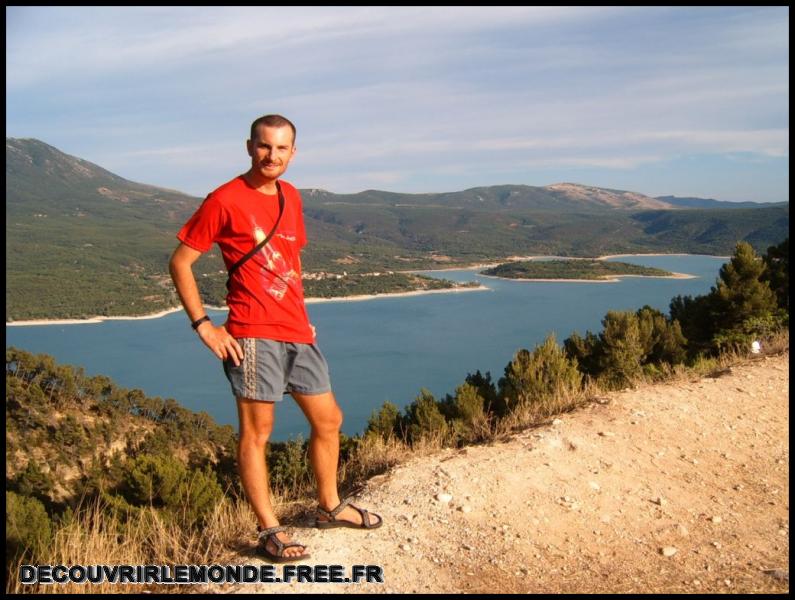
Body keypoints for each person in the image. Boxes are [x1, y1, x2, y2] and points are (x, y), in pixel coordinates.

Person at [169, 114, 382, 563]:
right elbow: (181, 262)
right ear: (250, 147)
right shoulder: (224, 199)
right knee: (257, 433)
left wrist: (301, 318)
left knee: (329, 420)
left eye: (282, 148)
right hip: (250, 333)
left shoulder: (291, 196)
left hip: (297, 331)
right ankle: (269, 531)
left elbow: (286, 264)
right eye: (265, 147)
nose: (273, 156)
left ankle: (329, 507)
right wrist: (204, 325)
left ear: (293, 153)